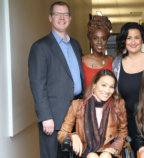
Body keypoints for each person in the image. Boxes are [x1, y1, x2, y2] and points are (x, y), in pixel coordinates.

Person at [28, 1, 85, 158]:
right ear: (50, 18)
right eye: (57, 14)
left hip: (77, 112)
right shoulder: (40, 47)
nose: (62, 18)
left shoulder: (75, 44)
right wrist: (45, 116)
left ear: (70, 18)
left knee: (76, 154)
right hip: (53, 117)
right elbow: (38, 85)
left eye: (65, 14)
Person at [112, 22, 144, 153]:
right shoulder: (117, 63)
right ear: (124, 40)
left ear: (142, 39)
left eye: (136, 37)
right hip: (131, 123)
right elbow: (116, 95)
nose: (133, 41)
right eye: (128, 38)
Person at [58, 69, 128, 158]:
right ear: (94, 85)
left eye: (111, 87)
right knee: (92, 156)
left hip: (109, 152)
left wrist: (115, 148)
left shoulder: (118, 104)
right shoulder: (77, 105)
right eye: (103, 85)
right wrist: (73, 136)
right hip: (86, 152)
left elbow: (123, 132)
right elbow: (62, 134)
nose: (107, 90)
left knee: (105, 156)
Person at [83, 15, 114, 89]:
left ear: (107, 41)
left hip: (109, 100)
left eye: (103, 39)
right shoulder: (82, 61)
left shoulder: (111, 60)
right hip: (88, 100)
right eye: (95, 38)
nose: (99, 42)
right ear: (91, 39)